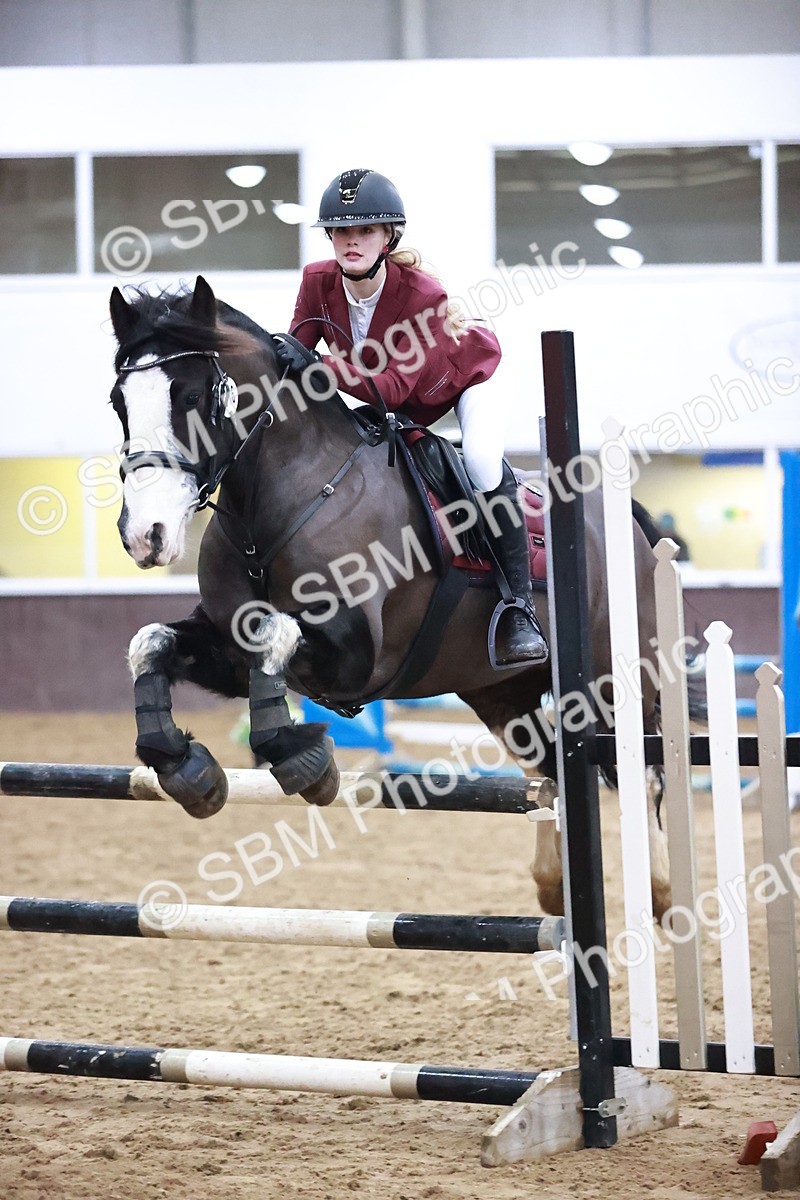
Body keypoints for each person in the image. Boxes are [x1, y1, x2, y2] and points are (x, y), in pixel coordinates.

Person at [275, 167, 547, 667]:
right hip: (390, 397)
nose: (350, 241)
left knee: (483, 463)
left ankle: (518, 608)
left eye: (364, 231)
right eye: (341, 231)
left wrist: (318, 365)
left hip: (463, 380)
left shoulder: (424, 296)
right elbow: (299, 352)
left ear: (388, 237)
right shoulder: (317, 281)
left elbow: (394, 387)